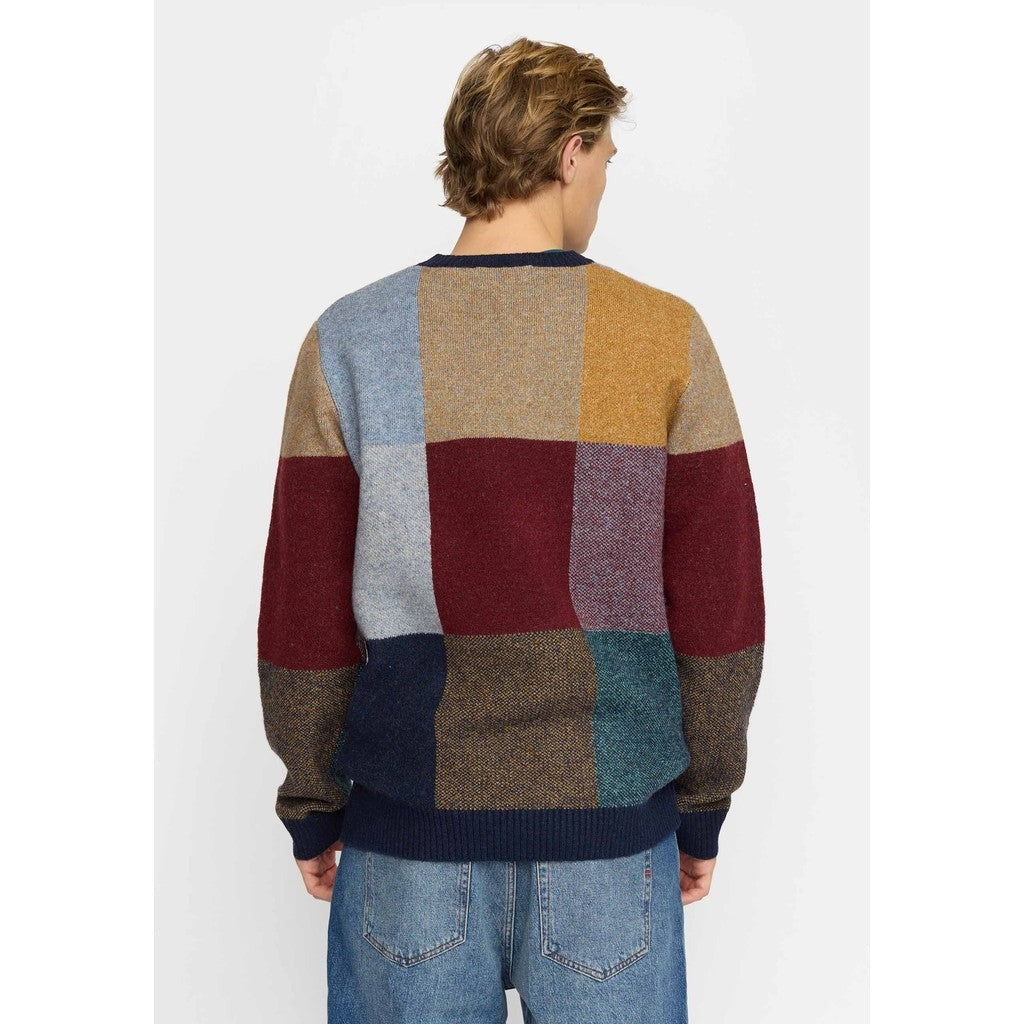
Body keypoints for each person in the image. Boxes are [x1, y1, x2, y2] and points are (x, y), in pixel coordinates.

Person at [257, 36, 765, 1024]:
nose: (604, 181)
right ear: (571, 152)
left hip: (408, 836)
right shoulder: (664, 335)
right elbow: (722, 607)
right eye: (606, 157)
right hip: (611, 845)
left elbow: (301, 613)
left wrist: (312, 798)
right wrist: (703, 799)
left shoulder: (349, 337)